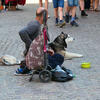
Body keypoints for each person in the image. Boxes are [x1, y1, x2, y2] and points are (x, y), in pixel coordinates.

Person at [15, 7, 64, 75]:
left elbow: (41, 43)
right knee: (59, 58)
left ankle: (27, 65)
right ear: (42, 16)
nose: (48, 17)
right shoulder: (35, 25)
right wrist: (31, 45)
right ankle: (29, 66)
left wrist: (48, 49)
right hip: (36, 56)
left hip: (38, 53)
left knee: (57, 56)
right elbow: (22, 32)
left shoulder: (37, 24)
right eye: (47, 15)